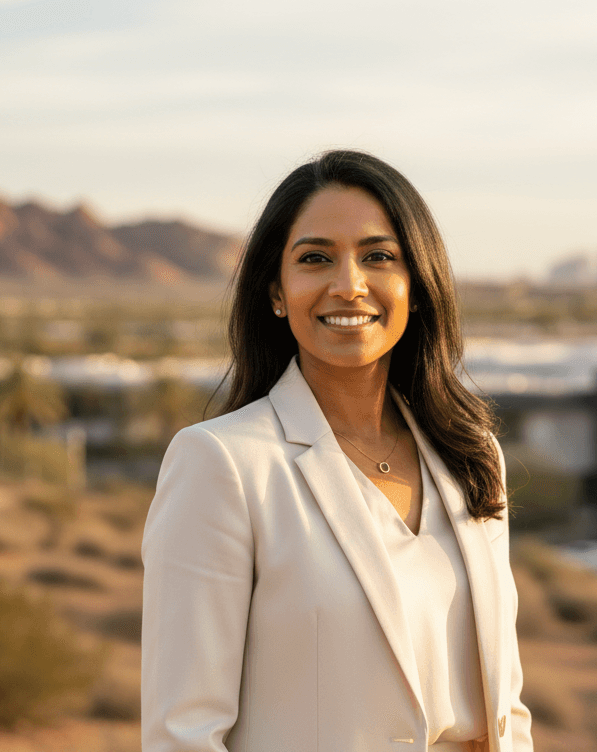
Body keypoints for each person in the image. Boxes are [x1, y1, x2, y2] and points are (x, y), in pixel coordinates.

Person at [141, 150, 532, 752]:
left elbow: (506, 706)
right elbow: (182, 736)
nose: (348, 285)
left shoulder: (472, 456)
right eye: (315, 259)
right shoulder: (222, 466)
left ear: (417, 285)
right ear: (276, 291)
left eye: (379, 256)